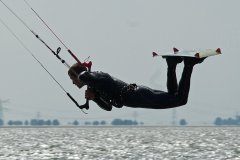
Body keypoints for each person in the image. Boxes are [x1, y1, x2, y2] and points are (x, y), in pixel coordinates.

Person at [68, 57, 204, 111]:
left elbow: (88, 76)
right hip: (137, 93)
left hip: (136, 95)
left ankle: (188, 64)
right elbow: (109, 107)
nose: (73, 83)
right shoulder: (94, 83)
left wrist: (80, 75)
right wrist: (95, 97)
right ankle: (171, 64)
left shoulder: (95, 76)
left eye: (72, 79)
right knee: (173, 95)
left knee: (180, 99)